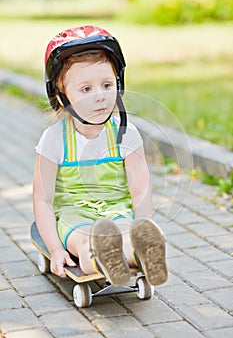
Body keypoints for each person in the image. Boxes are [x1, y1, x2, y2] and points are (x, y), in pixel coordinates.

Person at [33, 25, 168, 287]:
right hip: (74, 214)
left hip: (116, 210)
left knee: (126, 233)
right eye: (86, 89)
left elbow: (140, 190)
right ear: (61, 98)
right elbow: (43, 199)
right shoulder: (54, 140)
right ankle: (99, 257)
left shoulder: (126, 134)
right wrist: (55, 249)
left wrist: (142, 226)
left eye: (106, 85)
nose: (100, 96)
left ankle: (143, 253)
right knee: (84, 239)